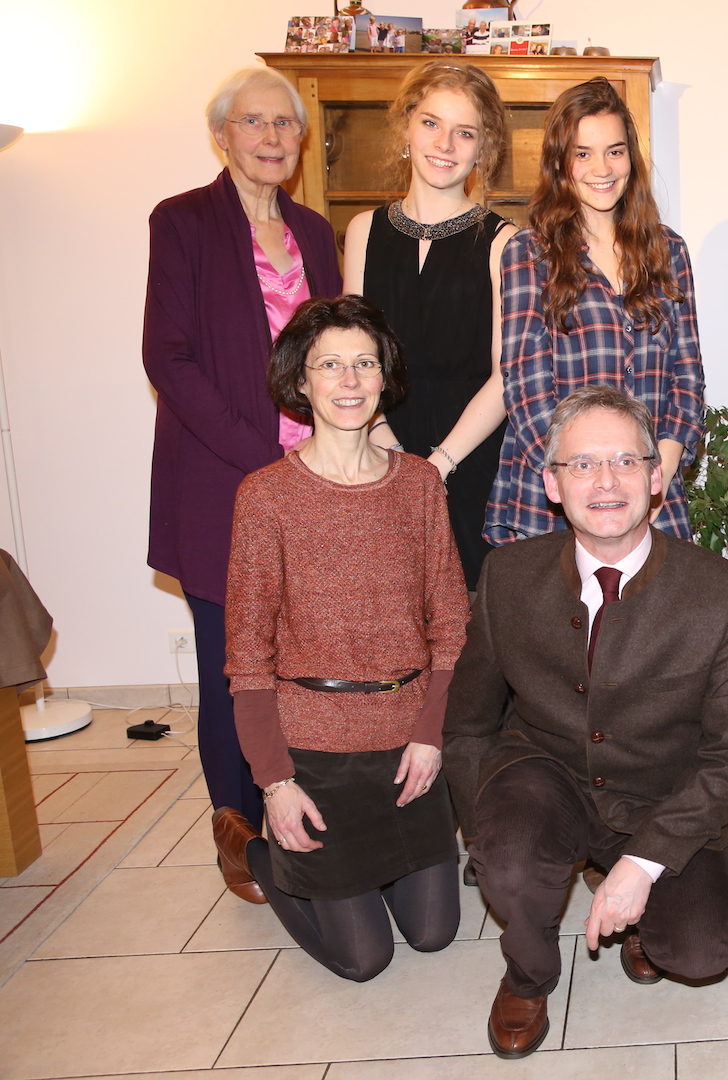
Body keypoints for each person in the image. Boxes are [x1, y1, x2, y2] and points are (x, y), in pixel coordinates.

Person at [444, 385, 728, 1059]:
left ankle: (629, 892)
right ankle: (527, 975)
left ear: (655, 477)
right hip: (544, 777)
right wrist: (488, 832)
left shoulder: (720, 591)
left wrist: (643, 865)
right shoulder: (507, 576)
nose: (606, 481)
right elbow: (468, 724)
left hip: (661, 794)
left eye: (624, 461)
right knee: (512, 856)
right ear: (552, 484)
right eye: (583, 464)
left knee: (701, 952)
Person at [214, 295, 469, 980]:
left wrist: (430, 735)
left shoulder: (419, 484)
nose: (350, 380)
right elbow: (247, 657)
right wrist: (275, 783)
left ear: (385, 376)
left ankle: (356, 876)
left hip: (407, 745)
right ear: (301, 380)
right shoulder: (265, 496)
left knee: (434, 934)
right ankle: (257, 850)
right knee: (363, 960)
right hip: (315, 753)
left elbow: (451, 623)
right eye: (330, 365)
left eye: (365, 363)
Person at [143, 66, 341, 905]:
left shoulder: (315, 232)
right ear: (221, 135)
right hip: (223, 483)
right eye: (253, 122)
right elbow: (169, 359)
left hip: (317, 484)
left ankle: (308, 806)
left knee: (309, 660)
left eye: (284, 124)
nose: (270, 137)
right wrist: (260, 453)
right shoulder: (183, 221)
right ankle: (237, 828)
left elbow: (339, 348)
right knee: (237, 668)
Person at [484, 78, 704, 547]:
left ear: (631, 158)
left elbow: (687, 378)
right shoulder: (529, 253)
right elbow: (525, 387)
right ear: (559, 162)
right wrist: (584, 482)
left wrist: (652, 480)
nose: (602, 168)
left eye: (615, 151)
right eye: (582, 153)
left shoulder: (669, 251)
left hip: (651, 493)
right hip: (557, 496)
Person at [344, 61, 516, 592]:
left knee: (473, 624)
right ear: (406, 128)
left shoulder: (505, 242)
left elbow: (507, 374)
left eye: (464, 132)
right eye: (431, 123)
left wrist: (437, 465)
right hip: (377, 454)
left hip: (472, 464)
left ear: (483, 148)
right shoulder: (363, 231)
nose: (445, 144)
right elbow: (353, 362)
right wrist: (390, 451)